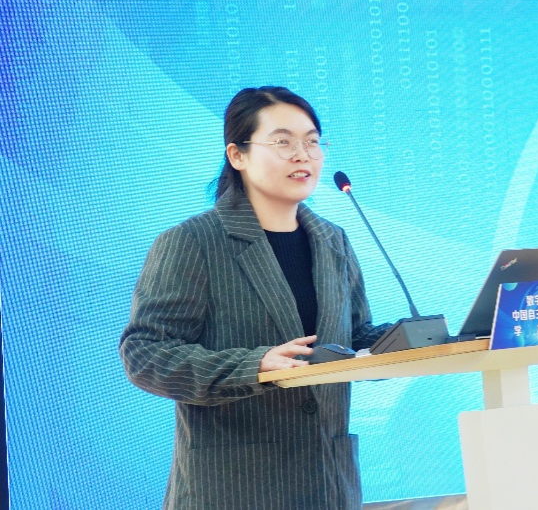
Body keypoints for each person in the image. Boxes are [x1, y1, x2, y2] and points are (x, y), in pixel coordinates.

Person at [120, 86, 387, 509]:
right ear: (237, 155)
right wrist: (254, 366)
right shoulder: (194, 242)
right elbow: (145, 353)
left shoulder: (333, 241)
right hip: (235, 488)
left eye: (312, 142)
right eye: (283, 142)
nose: (302, 155)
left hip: (327, 485)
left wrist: (414, 339)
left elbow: (352, 337)